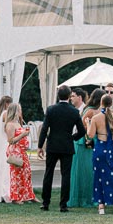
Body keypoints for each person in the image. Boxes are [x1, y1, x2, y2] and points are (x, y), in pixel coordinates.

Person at [38, 84, 86, 213]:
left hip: (53, 145)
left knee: (48, 174)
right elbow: (82, 131)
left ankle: (45, 202)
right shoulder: (74, 111)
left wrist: (40, 146)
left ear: (58, 95)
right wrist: (72, 138)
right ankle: (63, 204)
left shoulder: (51, 109)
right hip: (67, 146)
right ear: (69, 97)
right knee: (66, 176)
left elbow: (44, 129)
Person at [88, 93, 113, 215]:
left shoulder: (96, 118)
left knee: (99, 177)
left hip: (100, 149)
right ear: (112, 103)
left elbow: (90, 135)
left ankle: (101, 207)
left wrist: (87, 123)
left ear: (101, 103)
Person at [68, 90, 97, 209]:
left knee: (86, 170)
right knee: (82, 170)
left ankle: (85, 197)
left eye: (73, 96)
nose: (71, 98)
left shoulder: (89, 109)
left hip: (86, 142)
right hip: (82, 142)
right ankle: (80, 197)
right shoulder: (89, 110)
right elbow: (81, 126)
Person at [4, 103, 36, 204]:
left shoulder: (17, 123)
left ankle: (28, 195)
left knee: (26, 173)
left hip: (22, 150)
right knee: (16, 174)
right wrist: (23, 134)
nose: (20, 112)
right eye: (19, 110)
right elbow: (10, 140)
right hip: (15, 151)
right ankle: (15, 197)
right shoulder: (9, 124)